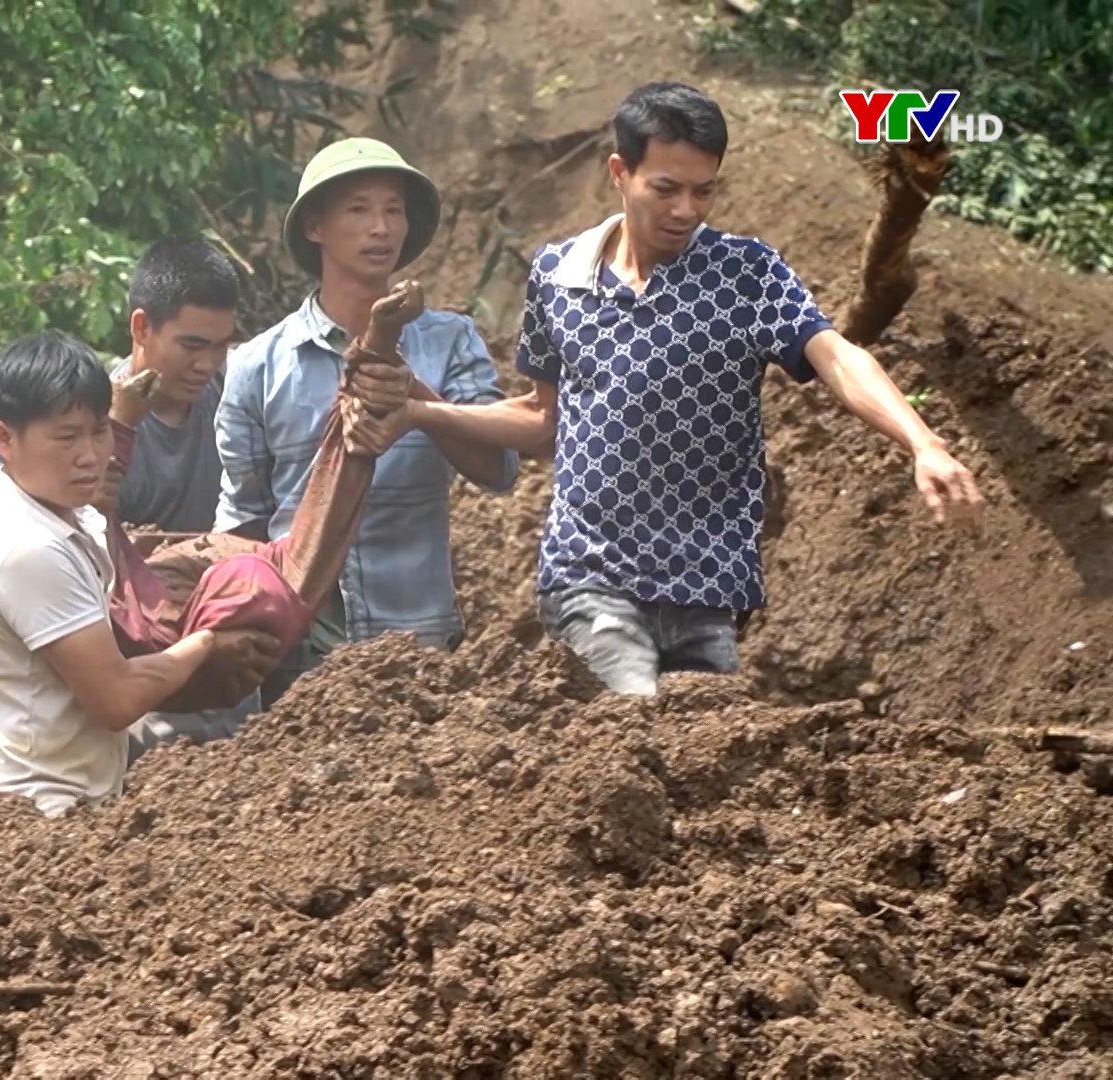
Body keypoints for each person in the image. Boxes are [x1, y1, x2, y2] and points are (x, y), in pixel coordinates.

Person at [413, 81, 983, 694]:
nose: (686, 209)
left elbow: (837, 356)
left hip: (707, 588)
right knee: (636, 706)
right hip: (589, 575)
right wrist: (428, 413)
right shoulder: (559, 276)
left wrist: (922, 442)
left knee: (706, 750)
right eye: (666, 188)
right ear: (620, 172)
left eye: (703, 190)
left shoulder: (746, 273)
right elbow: (544, 419)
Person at [217, 137, 519, 706]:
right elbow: (242, 520)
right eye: (358, 209)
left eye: (393, 209)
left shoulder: (450, 342)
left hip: (420, 637)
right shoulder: (257, 365)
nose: (380, 227)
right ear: (315, 226)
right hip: (299, 645)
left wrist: (417, 399)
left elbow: (498, 469)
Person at [0, 333, 278, 817]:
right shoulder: (28, 548)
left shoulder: (49, 508)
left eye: (99, 431)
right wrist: (209, 639)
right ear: (4, 439)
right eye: (67, 437)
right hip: (36, 811)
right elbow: (118, 699)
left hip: (58, 795)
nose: (90, 454)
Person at [109, 237, 242, 534]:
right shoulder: (100, 429)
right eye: (191, 345)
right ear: (141, 328)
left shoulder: (238, 385)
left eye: (220, 346)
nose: (206, 364)